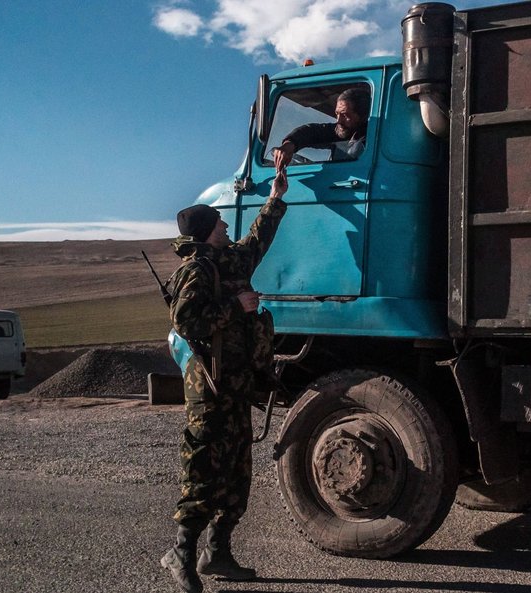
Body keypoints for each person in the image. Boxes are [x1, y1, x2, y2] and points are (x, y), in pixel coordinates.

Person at [160, 170, 288, 593]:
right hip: (210, 388)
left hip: (236, 385)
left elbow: (257, 241)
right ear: (204, 232)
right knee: (203, 468)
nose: (226, 226)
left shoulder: (229, 259)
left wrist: (275, 197)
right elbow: (185, 321)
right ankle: (181, 552)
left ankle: (217, 552)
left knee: (236, 473)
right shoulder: (196, 271)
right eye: (219, 223)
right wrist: (235, 306)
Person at [272, 87, 370, 169]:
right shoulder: (341, 131)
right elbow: (312, 132)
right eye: (337, 114)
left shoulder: (373, 137)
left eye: (345, 115)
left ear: (362, 116)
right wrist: (289, 144)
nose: (339, 121)